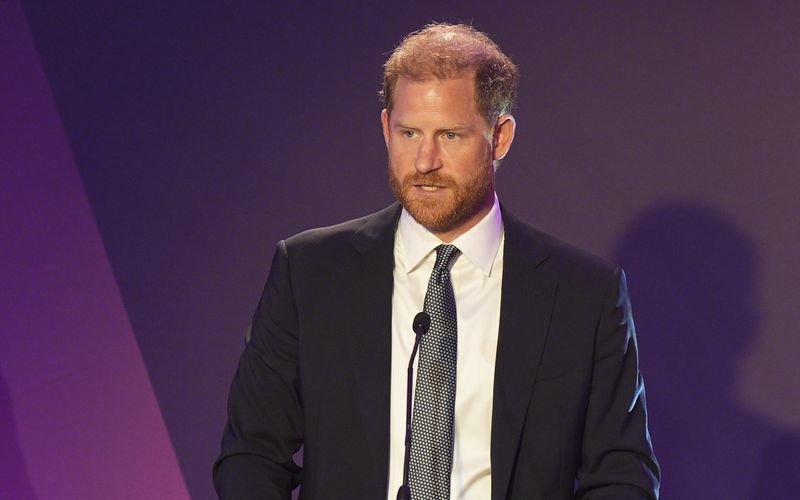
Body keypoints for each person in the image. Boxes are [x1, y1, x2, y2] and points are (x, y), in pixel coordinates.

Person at [213, 23, 660, 499]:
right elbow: (252, 455)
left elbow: (622, 473)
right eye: (409, 133)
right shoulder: (309, 273)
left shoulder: (583, 295)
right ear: (386, 128)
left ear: (500, 137)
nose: (424, 161)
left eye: (449, 135)